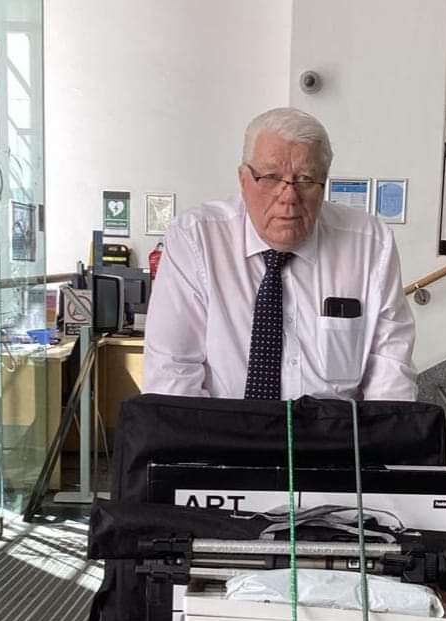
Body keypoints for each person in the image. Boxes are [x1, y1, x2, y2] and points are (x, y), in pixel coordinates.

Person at [143, 107, 416, 401]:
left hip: (334, 427)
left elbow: (390, 372)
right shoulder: (196, 238)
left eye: (305, 180)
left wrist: (380, 430)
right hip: (220, 427)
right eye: (271, 177)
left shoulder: (370, 244)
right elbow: (172, 373)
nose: (289, 197)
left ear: (324, 184)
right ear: (244, 180)